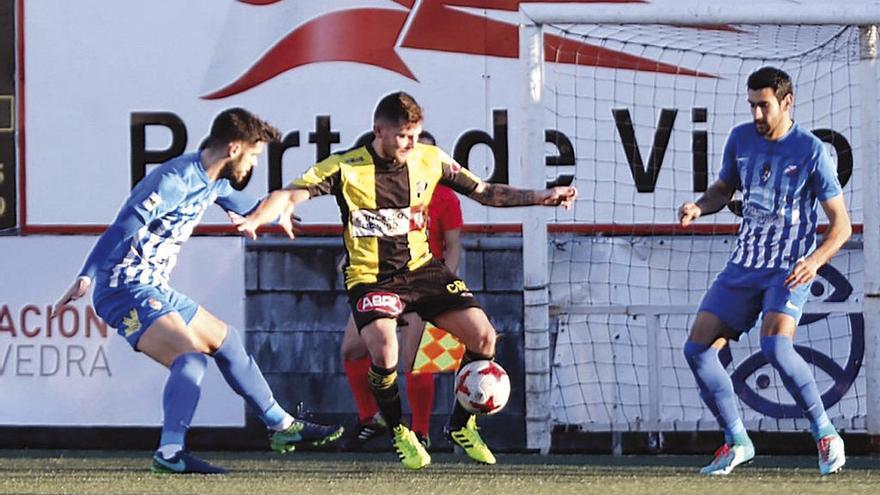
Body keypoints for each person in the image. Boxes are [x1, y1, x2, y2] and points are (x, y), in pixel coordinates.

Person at [235, 91, 577, 470]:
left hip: (422, 270)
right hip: (372, 278)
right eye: (402, 136)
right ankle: (399, 430)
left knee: (483, 337)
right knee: (384, 352)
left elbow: (484, 192)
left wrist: (543, 196)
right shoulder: (346, 167)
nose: (410, 143)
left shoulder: (428, 160)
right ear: (378, 130)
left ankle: (461, 425)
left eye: (415, 134)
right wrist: (260, 216)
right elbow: (289, 193)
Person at [53, 108, 344, 475]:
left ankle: (282, 427)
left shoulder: (214, 183)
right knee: (189, 359)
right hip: (122, 288)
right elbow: (119, 229)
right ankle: (170, 453)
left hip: (153, 286)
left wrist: (281, 208)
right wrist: (87, 275)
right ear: (234, 148)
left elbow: (256, 208)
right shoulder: (172, 180)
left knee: (226, 340)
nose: (253, 163)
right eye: (254, 155)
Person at [678, 67, 851, 476]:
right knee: (697, 350)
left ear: (787, 103)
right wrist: (699, 207)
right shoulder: (740, 139)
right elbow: (723, 188)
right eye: (752, 105)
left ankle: (826, 434)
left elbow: (840, 224)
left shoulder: (811, 151)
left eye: (764, 106)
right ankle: (737, 441)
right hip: (744, 264)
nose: (757, 114)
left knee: (775, 346)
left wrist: (814, 261)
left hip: (787, 269)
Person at [340, 130, 463, 451]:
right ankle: (372, 418)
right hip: (382, 285)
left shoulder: (446, 198)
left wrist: (439, 288)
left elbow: (453, 247)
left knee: (417, 360)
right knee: (352, 350)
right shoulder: (384, 192)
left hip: (422, 284)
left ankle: (421, 432)